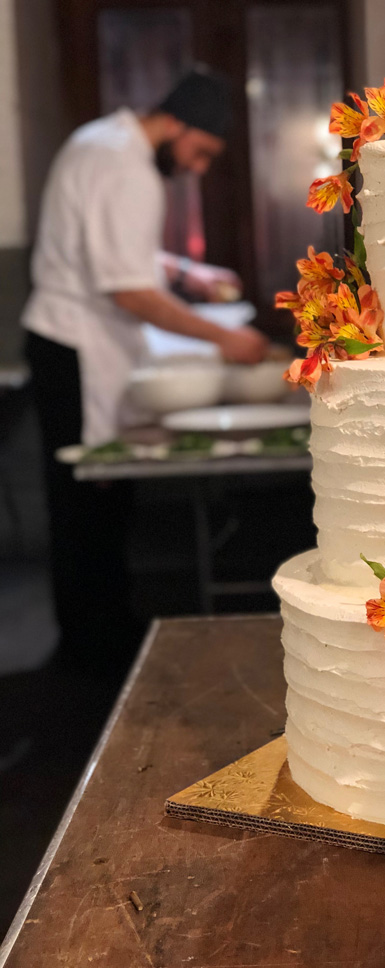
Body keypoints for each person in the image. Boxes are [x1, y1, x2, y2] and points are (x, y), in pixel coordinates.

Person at [22, 67, 268, 674]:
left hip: (68, 344)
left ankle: (101, 636)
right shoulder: (126, 167)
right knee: (89, 508)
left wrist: (187, 274)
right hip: (75, 348)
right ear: (178, 122)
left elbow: (109, 245)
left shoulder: (102, 143)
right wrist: (224, 338)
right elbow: (129, 291)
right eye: (201, 152)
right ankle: (93, 655)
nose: (198, 167)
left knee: (95, 504)